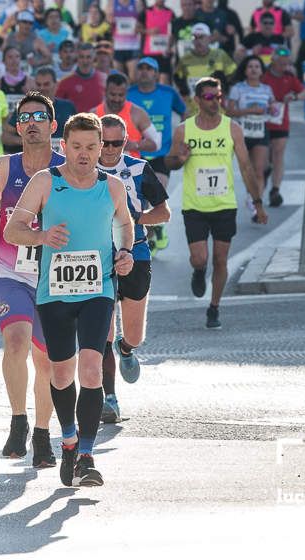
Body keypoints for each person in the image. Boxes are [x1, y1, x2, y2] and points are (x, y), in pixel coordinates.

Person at [5, 112, 135, 487]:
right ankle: (68, 441)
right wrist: (42, 237)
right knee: (61, 373)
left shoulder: (111, 186)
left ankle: (88, 456)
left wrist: (125, 252)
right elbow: (14, 229)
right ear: (64, 147)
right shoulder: (46, 181)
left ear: (100, 149)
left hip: (98, 290)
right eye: (76, 146)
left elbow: (125, 223)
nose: (84, 154)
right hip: (55, 292)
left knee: (91, 369)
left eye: (92, 147)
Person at [0, 91, 64, 467]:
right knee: (15, 342)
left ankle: (42, 432)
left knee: (46, 361)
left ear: (53, 125)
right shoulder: (6, 166)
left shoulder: (66, 166)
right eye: (24, 118)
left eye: (39, 117)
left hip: (54, 277)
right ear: (17, 127)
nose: (31, 123)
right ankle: (18, 421)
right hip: (12, 271)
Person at [164, 77, 267, 329]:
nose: (215, 102)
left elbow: (245, 166)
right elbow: (169, 162)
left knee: (220, 260)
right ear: (198, 100)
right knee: (200, 258)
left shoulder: (232, 129)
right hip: (194, 205)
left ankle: (214, 308)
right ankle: (198, 273)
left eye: (218, 97)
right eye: (209, 97)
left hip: (223, 204)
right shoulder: (184, 130)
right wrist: (181, 158)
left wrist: (258, 203)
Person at [96, 113, 169, 423]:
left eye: (116, 143)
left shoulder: (139, 169)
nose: (109, 149)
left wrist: (132, 219)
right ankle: (108, 399)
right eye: (104, 142)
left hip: (135, 253)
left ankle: (127, 350)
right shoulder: (84, 168)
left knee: (134, 335)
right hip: (97, 256)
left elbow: (163, 214)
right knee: (102, 332)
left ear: (125, 142)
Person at [128, 57, 186, 253]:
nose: (144, 72)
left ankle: (153, 232)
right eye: (141, 68)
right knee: (141, 199)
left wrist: (182, 139)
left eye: (149, 69)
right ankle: (153, 232)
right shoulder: (129, 94)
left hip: (162, 153)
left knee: (156, 195)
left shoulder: (168, 93)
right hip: (137, 153)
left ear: (156, 73)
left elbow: (185, 113)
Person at [226, 55, 276, 221]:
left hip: (261, 131)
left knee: (260, 170)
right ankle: (250, 193)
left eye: (257, 67)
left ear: (262, 71)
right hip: (242, 133)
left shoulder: (267, 89)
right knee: (247, 169)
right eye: (250, 67)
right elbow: (229, 112)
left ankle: (257, 205)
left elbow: (273, 109)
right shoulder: (238, 89)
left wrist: (272, 110)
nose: (254, 69)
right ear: (245, 71)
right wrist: (249, 111)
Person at [261, 46, 305, 208]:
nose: (283, 67)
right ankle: (265, 171)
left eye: (286, 64)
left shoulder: (289, 77)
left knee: (279, 153)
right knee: (265, 159)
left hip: (281, 122)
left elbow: (304, 93)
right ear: (273, 61)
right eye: (280, 64)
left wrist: (293, 96)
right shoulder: (263, 76)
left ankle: (275, 190)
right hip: (263, 122)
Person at [1, 66, 75, 154]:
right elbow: (5, 137)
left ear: (56, 84)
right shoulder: (25, 108)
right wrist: (29, 139)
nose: (42, 88)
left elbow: (78, 133)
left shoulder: (68, 106)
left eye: (46, 84)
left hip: (63, 161)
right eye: (38, 84)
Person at [91, 72, 160, 160]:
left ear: (126, 93)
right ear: (105, 92)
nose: (116, 99)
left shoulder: (137, 114)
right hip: (100, 170)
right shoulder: (93, 115)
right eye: (113, 94)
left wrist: (134, 145)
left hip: (131, 170)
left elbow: (156, 143)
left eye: (121, 95)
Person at [173, 23, 237, 116]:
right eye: (194, 37)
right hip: (194, 111)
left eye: (201, 37)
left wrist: (224, 89)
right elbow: (177, 78)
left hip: (217, 110)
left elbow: (234, 75)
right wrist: (184, 94)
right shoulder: (185, 59)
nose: (198, 41)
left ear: (209, 38)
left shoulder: (220, 54)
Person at [0, 46, 36, 153]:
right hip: (6, 132)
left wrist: (29, 95)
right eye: (10, 57)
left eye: (17, 57)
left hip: (25, 128)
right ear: (4, 61)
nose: (14, 60)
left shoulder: (30, 82)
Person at [56, 42, 105, 113]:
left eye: (88, 57)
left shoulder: (103, 79)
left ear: (94, 57)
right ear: (77, 57)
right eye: (82, 57)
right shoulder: (65, 82)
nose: (85, 61)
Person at [138, 0, 175, 84]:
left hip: (164, 53)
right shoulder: (146, 11)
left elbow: (174, 33)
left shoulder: (170, 12)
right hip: (149, 53)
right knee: (149, 81)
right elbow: (137, 29)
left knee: (164, 82)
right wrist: (148, 31)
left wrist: (170, 46)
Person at [108, 0, 143, 77]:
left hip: (133, 46)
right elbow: (107, 22)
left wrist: (139, 26)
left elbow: (143, 21)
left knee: (134, 78)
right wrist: (110, 21)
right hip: (117, 46)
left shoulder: (137, 2)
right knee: (119, 78)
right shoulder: (112, 2)